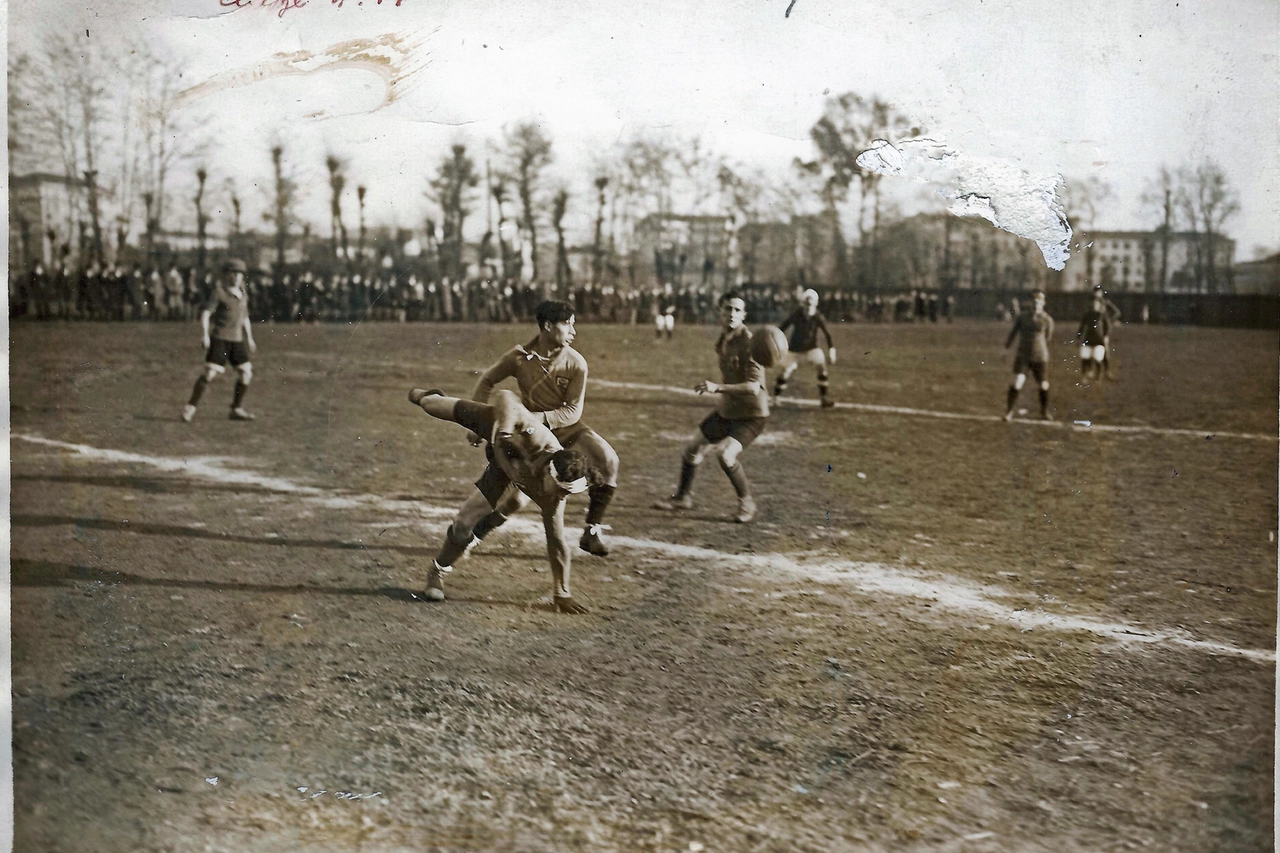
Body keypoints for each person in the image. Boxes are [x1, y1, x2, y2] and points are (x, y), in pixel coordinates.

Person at [407, 387, 597, 614]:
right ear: (549, 471)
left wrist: (562, 592)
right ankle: (428, 395)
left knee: (465, 522)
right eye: (560, 490)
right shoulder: (536, 438)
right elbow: (506, 395)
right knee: (430, 405)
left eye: (566, 494)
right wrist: (504, 432)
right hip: (498, 433)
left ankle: (438, 570)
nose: (560, 497)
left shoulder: (553, 496)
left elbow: (557, 542)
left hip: (505, 468)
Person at [463, 300, 620, 557]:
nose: (573, 331)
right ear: (547, 326)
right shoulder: (519, 358)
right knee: (516, 500)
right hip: (534, 436)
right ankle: (478, 533)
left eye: (573, 324)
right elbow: (487, 380)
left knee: (609, 460)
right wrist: (475, 421)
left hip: (564, 427)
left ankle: (592, 531)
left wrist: (534, 419)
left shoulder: (576, 363)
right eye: (567, 324)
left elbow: (572, 412)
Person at [654, 290, 769, 523]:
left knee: (726, 455)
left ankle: (746, 503)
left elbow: (753, 387)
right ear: (720, 311)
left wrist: (717, 388)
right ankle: (683, 498)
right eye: (728, 308)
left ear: (744, 315)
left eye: (737, 310)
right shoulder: (723, 340)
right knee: (691, 448)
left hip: (752, 415)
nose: (732, 313)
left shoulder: (750, 343)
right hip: (728, 410)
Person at [183, 258, 257, 422]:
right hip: (220, 338)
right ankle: (190, 407)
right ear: (227, 275)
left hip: (237, 340)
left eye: (240, 274)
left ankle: (236, 409)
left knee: (246, 373)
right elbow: (206, 313)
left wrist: (250, 338)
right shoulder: (219, 292)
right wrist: (205, 334)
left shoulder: (243, 294)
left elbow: (245, 318)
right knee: (209, 373)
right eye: (234, 273)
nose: (237, 277)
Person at [772, 288, 837, 408]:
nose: (808, 306)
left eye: (811, 304)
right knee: (785, 372)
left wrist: (832, 352)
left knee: (822, 368)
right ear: (803, 303)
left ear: (816, 304)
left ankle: (824, 399)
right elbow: (783, 327)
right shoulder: (797, 314)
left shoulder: (818, 317)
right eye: (806, 303)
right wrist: (774, 339)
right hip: (794, 349)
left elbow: (828, 334)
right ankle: (775, 398)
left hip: (811, 348)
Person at [1003, 290, 1054, 421]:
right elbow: (1013, 334)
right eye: (1034, 302)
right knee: (1017, 382)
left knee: (1043, 385)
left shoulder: (1047, 320)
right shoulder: (1022, 317)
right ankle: (1009, 412)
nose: (1036, 304)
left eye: (1039, 302)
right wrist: (1006, 349)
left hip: (1040, 357)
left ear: (1043, 303)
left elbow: (1048, 338)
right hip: (1023, 356)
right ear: (1030, 303)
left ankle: (1044, 412)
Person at [1075, 290, 1112, 382]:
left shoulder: (1102, 315)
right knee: (1085, 358)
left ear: (1099, 305)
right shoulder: (1087, 315)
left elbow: (1107, 326)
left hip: (1099, 339)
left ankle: (1098, 377)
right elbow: (1082, 327)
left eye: (1096, 303)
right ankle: (1084, 376)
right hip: (1088, 339)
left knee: (1098, 358)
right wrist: (1078, 338)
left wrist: (1106, 336)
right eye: (1093, 303)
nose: (1094, 305)